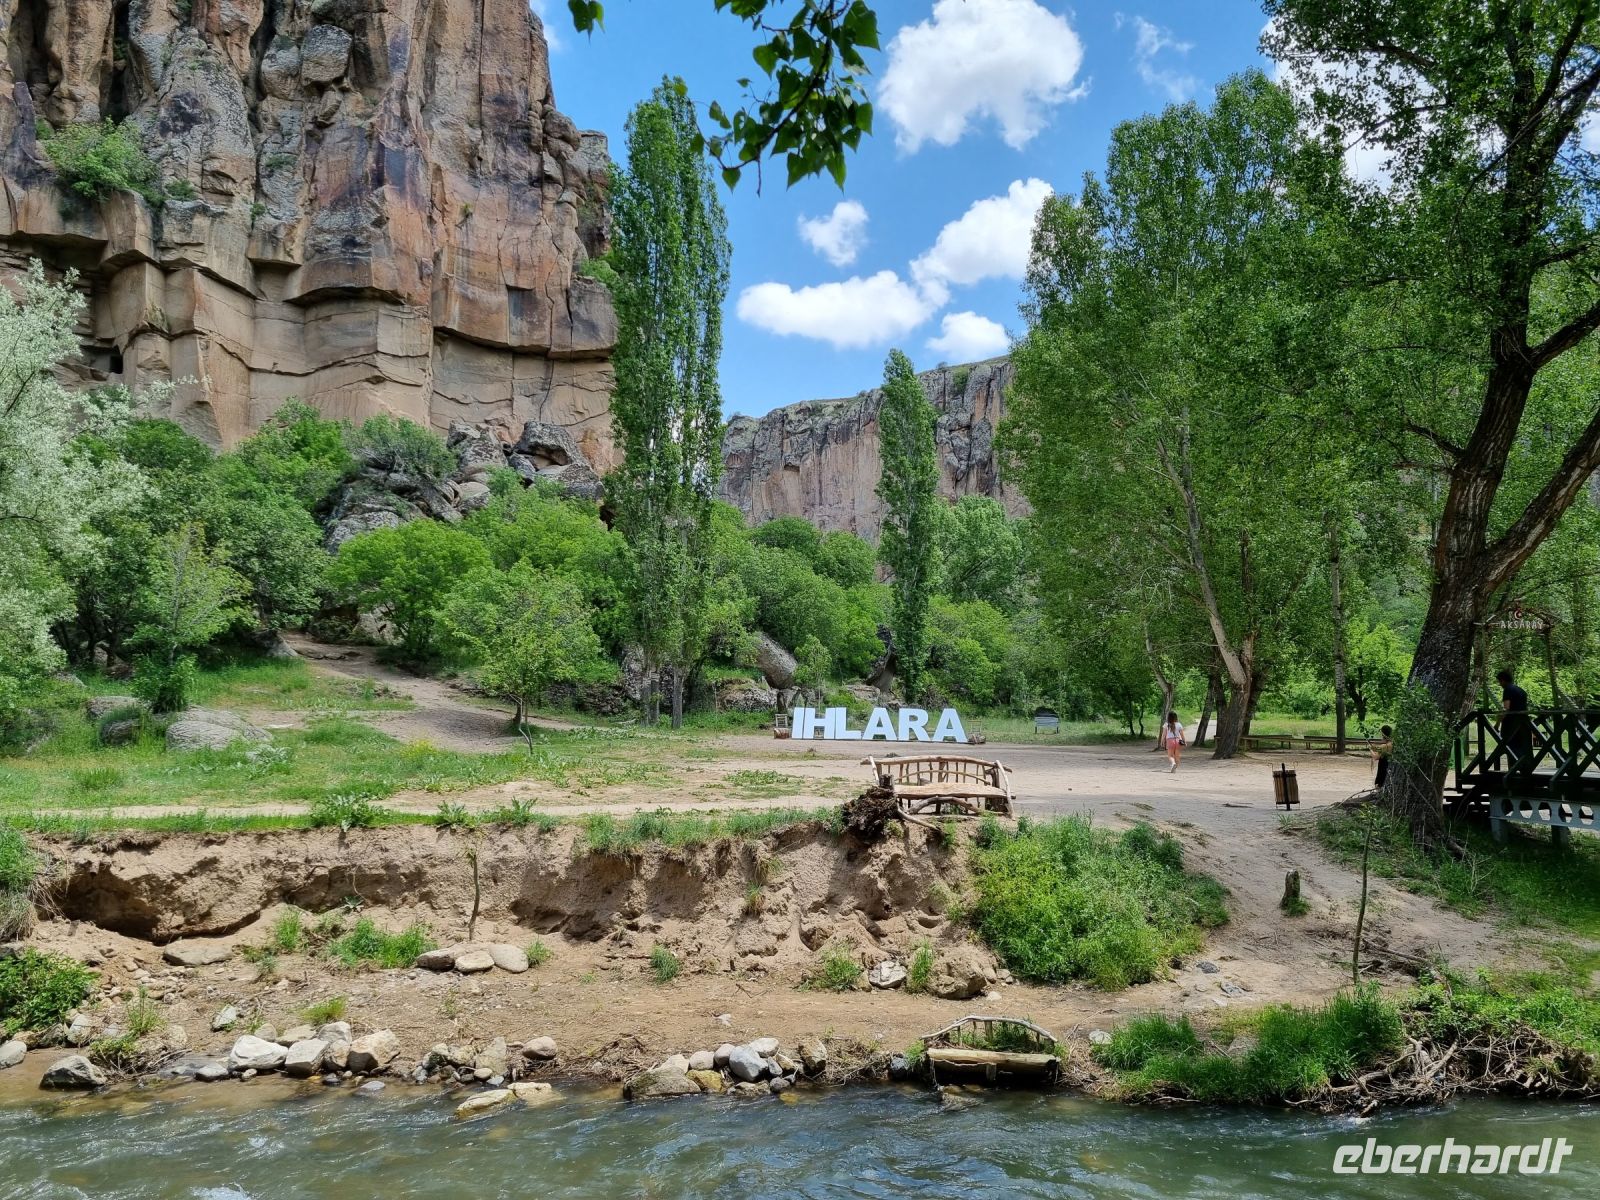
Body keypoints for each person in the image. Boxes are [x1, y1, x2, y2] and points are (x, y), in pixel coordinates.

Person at [1496, 668, 1534, 771]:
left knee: (1509, 746)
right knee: (1522, 746)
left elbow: (1506, 708)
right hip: (1523, 723)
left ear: (1503, 680)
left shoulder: (1507, 690)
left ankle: (1513, 769)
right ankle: (1525, 768)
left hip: (1511, 724)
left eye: (1500, 681)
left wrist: (1497, 723)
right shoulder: (1521, 690)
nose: (1500, 684)